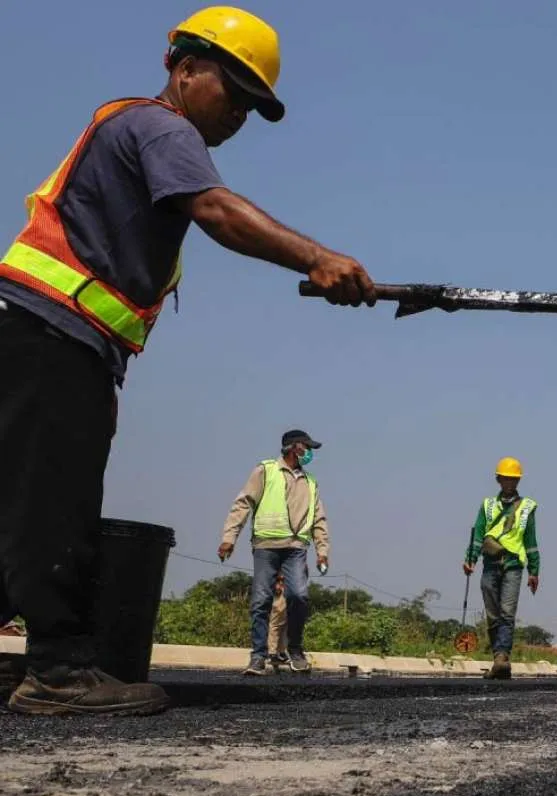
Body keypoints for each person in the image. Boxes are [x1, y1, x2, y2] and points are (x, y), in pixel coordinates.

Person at [0, 8, 374, 716]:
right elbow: (216, 209)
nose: (237, 112)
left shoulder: (130, 128)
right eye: (232, 90)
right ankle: (57, 672)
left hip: (35, 334)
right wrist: (318, 257)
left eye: (251, 105)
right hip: (53, 336)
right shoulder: (162, 127)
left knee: (15, 504)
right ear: (185, 67)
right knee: (55, 506)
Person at [220, 430, 330, 676]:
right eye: (307, 447)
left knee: (299, 596)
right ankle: (258, 657)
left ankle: (296, 651)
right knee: (261, 600)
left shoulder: (311, 482)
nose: (309, 452)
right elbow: (243, 502)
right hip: (266, 546)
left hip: (296, 547)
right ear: (294, 448)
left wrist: (322, 550)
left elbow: (319, 518)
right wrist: (229, 537)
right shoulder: (265, 470)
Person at [463, 457, 540, 680]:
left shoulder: (526, 508)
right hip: (490, 565)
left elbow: (531, 541)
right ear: (498, 480)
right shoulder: (488, 505)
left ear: (518, 482)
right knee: (492, 614)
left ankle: (502, 658)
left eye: (513, 480)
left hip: (514, 566)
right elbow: (478, 534)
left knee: (507, 613)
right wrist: (470, 559)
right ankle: (498, 656)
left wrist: (534, 571)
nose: (509, 483)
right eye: (506, 479)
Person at [268, 572, 289, 668]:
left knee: (284, 629)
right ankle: (273, 653)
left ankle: (281, 652)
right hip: (279, 597)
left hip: (285, 598)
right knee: (275, 627)